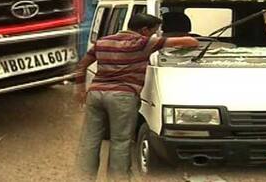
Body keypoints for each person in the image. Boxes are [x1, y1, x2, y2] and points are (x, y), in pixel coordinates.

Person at [73, 13, 199, 180]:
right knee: (120, 141)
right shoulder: (144, 42)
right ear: (144, 30)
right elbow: (190, 42)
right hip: (123, 96)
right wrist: (187, 38)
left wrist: (80, 88)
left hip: (96, 94)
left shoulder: (102, 41)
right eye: (154, 31)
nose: (156, 34)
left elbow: (81, 66)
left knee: (90, 140)